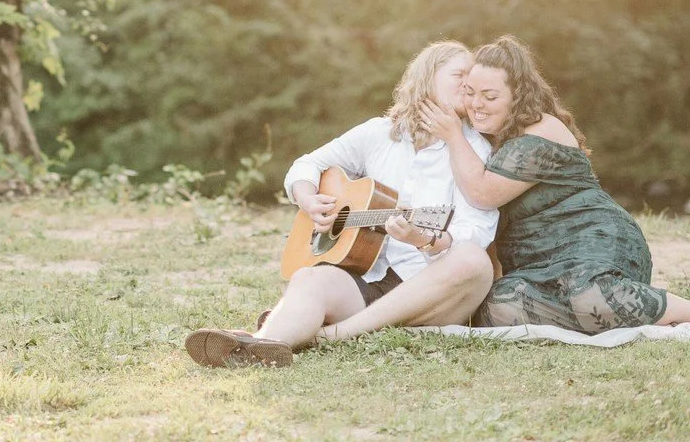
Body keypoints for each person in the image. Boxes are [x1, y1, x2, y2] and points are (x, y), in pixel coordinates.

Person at [418, 35, 690, 333]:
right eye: (470, 92)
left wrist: (451, 134)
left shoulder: (539, 130)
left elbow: (481, 194)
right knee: (497, 307)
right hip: (539, 266)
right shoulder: (482, 139)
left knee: (589, 295)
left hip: (594, 243)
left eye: (490, 96)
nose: (477, 104)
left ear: (517, 97)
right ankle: (631, 317)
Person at [185, 41, 500, 368]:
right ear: (427, 78)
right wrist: (309, 200)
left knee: (473, 260)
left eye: (473, 79)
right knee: (310, 278)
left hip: (434, 291)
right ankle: (263, 346)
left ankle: (326, 335)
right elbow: (307, 165)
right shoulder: (380, 134)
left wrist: (424, 240)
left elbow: (476, 231)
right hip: (372, 277)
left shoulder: (476, 150)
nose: (468, 85)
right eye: (459, 74)